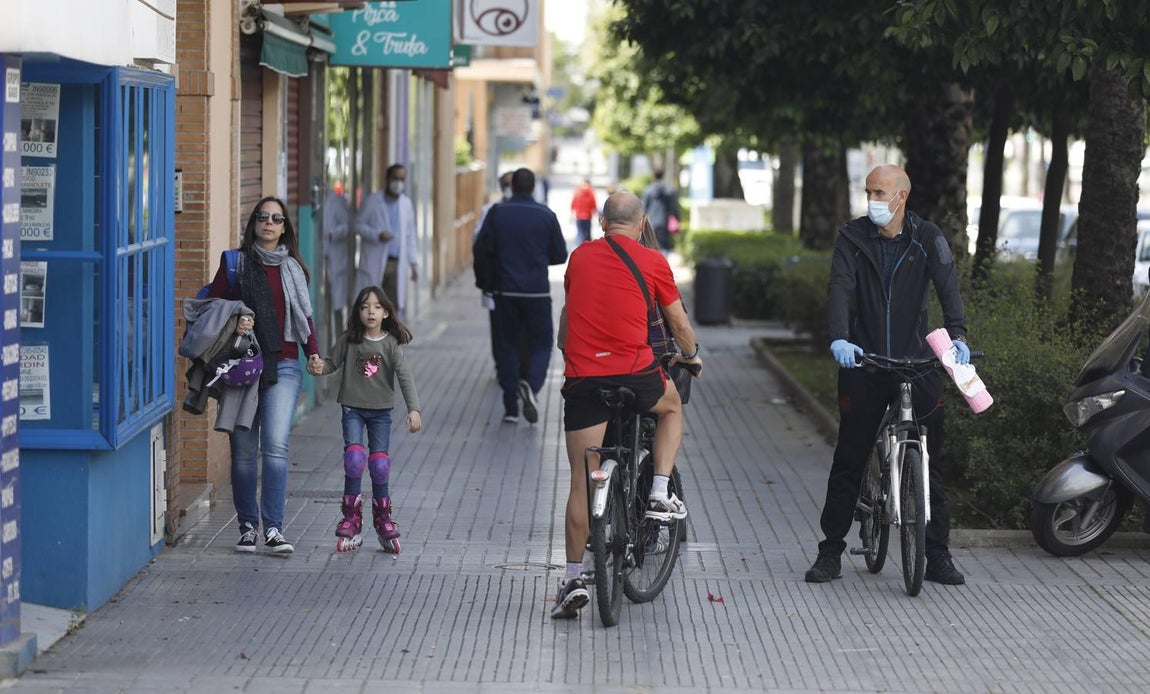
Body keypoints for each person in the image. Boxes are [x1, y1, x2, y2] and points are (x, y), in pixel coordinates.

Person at [805, 164, 969, 587]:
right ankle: (830, 551)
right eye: (869, 192)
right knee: (851, 455)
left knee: (929, 458)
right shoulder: (853, 237)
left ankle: (937, 555)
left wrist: (959, 335)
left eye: (880, 192)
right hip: (866, 359)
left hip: (918, 360)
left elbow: (948, 288)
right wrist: (840, 338)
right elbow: (839, 287)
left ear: (902, 197)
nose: (873, 200)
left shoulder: (927, 237)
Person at [552, 191, 703, 618]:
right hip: (636, 375)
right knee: (672, 409)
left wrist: (574, 352)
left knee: (581, 483)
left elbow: (567, 324)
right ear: (641, 225)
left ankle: (569, 579)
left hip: (584, 381)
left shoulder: (579, 258)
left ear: (601, 222)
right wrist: (691, 355)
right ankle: (658, 491)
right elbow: (678, 323)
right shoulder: (654, 262)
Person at [205, 196, 323, 555]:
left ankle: (273, 528)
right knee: (242, 452)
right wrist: (235, 317)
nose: (269, 223)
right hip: (244, 366)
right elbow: (211, 306)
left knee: (275, 447)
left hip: (285, 363)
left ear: (285, 226)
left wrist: (313, 352)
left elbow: (304, 316)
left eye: (276, 218)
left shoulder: (293, 269)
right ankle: (246, 527)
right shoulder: (236, 265)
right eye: (262, 217)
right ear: (253, 223)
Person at [309, 285, 422, 553]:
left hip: (381, 411)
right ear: (358, 312)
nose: (370, 311)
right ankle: (351, 518)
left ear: (385, 313)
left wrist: (414, 409)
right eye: (364, 306)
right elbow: (330, 364)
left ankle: (383, 518)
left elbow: (405, 377)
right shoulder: (349, 340)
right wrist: (317, 367)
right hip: (353, 408)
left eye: (377, 306)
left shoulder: (390, 344)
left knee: (380, 464)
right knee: (354, 459)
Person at [473, 167, 568, 424]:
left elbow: (481, 250)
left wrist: (486, 284)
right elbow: (560, 254)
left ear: (511, 186)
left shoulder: (497, 213)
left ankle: (510, 408)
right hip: (537, 293)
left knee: (507, 346)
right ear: (533, 187)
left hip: (505, 292)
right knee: (541, 342)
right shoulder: (546, 215)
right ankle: (532, 386)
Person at [355, 164, 418, 317]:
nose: (398, 183)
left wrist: (414, 264)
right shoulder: (373, 200)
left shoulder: (406, 204)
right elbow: (358, 225)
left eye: (402, 179)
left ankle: (388, 340)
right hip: (375, 261)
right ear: (387, 179)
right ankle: (371, 339)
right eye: (395, 178)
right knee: (371, 306)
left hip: (396, 263)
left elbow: (410, 235)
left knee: (391, 308)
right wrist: (377, 235)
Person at [473, 171, 515, 366]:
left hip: (518, 284)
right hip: (496, 281)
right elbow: (478, 240)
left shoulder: (527, 211)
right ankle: (502, 365)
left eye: (511, 183)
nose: (508, 187)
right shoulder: (490, 209)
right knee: (499, 328)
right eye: (505, 183)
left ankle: (515, 366)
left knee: (519, 330)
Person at [323, 181, 351, 333]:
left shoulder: (337, 202)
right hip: (322, 260)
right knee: (326, 300)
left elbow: (348, 225)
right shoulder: (320, 201)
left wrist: (333, 233)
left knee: (337, 304)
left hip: (336, 259)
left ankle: (339, 336)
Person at [641, 169, 680, 254]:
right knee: (665, 246)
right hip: (665, 223)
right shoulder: (669, 190)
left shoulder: (648, 191)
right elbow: (674, 207)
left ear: (653, 176)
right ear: (663, 175)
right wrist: (677, 220)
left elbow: (643, 208)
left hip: (652, 223)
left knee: (651, 247)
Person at [570, 178, 598, 245]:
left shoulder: (578, 192)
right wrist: (595, 213)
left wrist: (572, 213)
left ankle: (579, 248)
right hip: (587, 216)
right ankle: (587, 248)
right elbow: (593, 205)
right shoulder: (591, 192)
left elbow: (573, 204)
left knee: (580, 233)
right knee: (587, 234)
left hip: (579, 216)